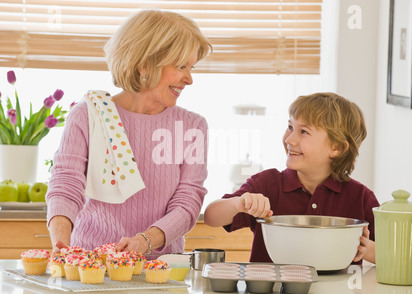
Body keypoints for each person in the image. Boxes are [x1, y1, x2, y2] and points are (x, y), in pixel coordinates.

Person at [46, 10, 212, 258]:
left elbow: (188, 202)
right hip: (92, 263)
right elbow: (66, 184)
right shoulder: (87, 116)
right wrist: (61, 242)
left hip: (161, 269)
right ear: (145, 63)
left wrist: (145, 241)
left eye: (191, 67)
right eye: (180, 66)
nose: (189, 79)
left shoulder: (192, 126)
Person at [204, 92, 378, 264]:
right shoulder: (267, 184)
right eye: (290, 127)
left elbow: (396, 259)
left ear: (337, 147)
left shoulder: (360, 198)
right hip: (271, 292)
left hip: (340, 293)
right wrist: (238, 204)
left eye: (304, 132)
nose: (290, 139)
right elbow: (211, 217)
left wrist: (368, 250)